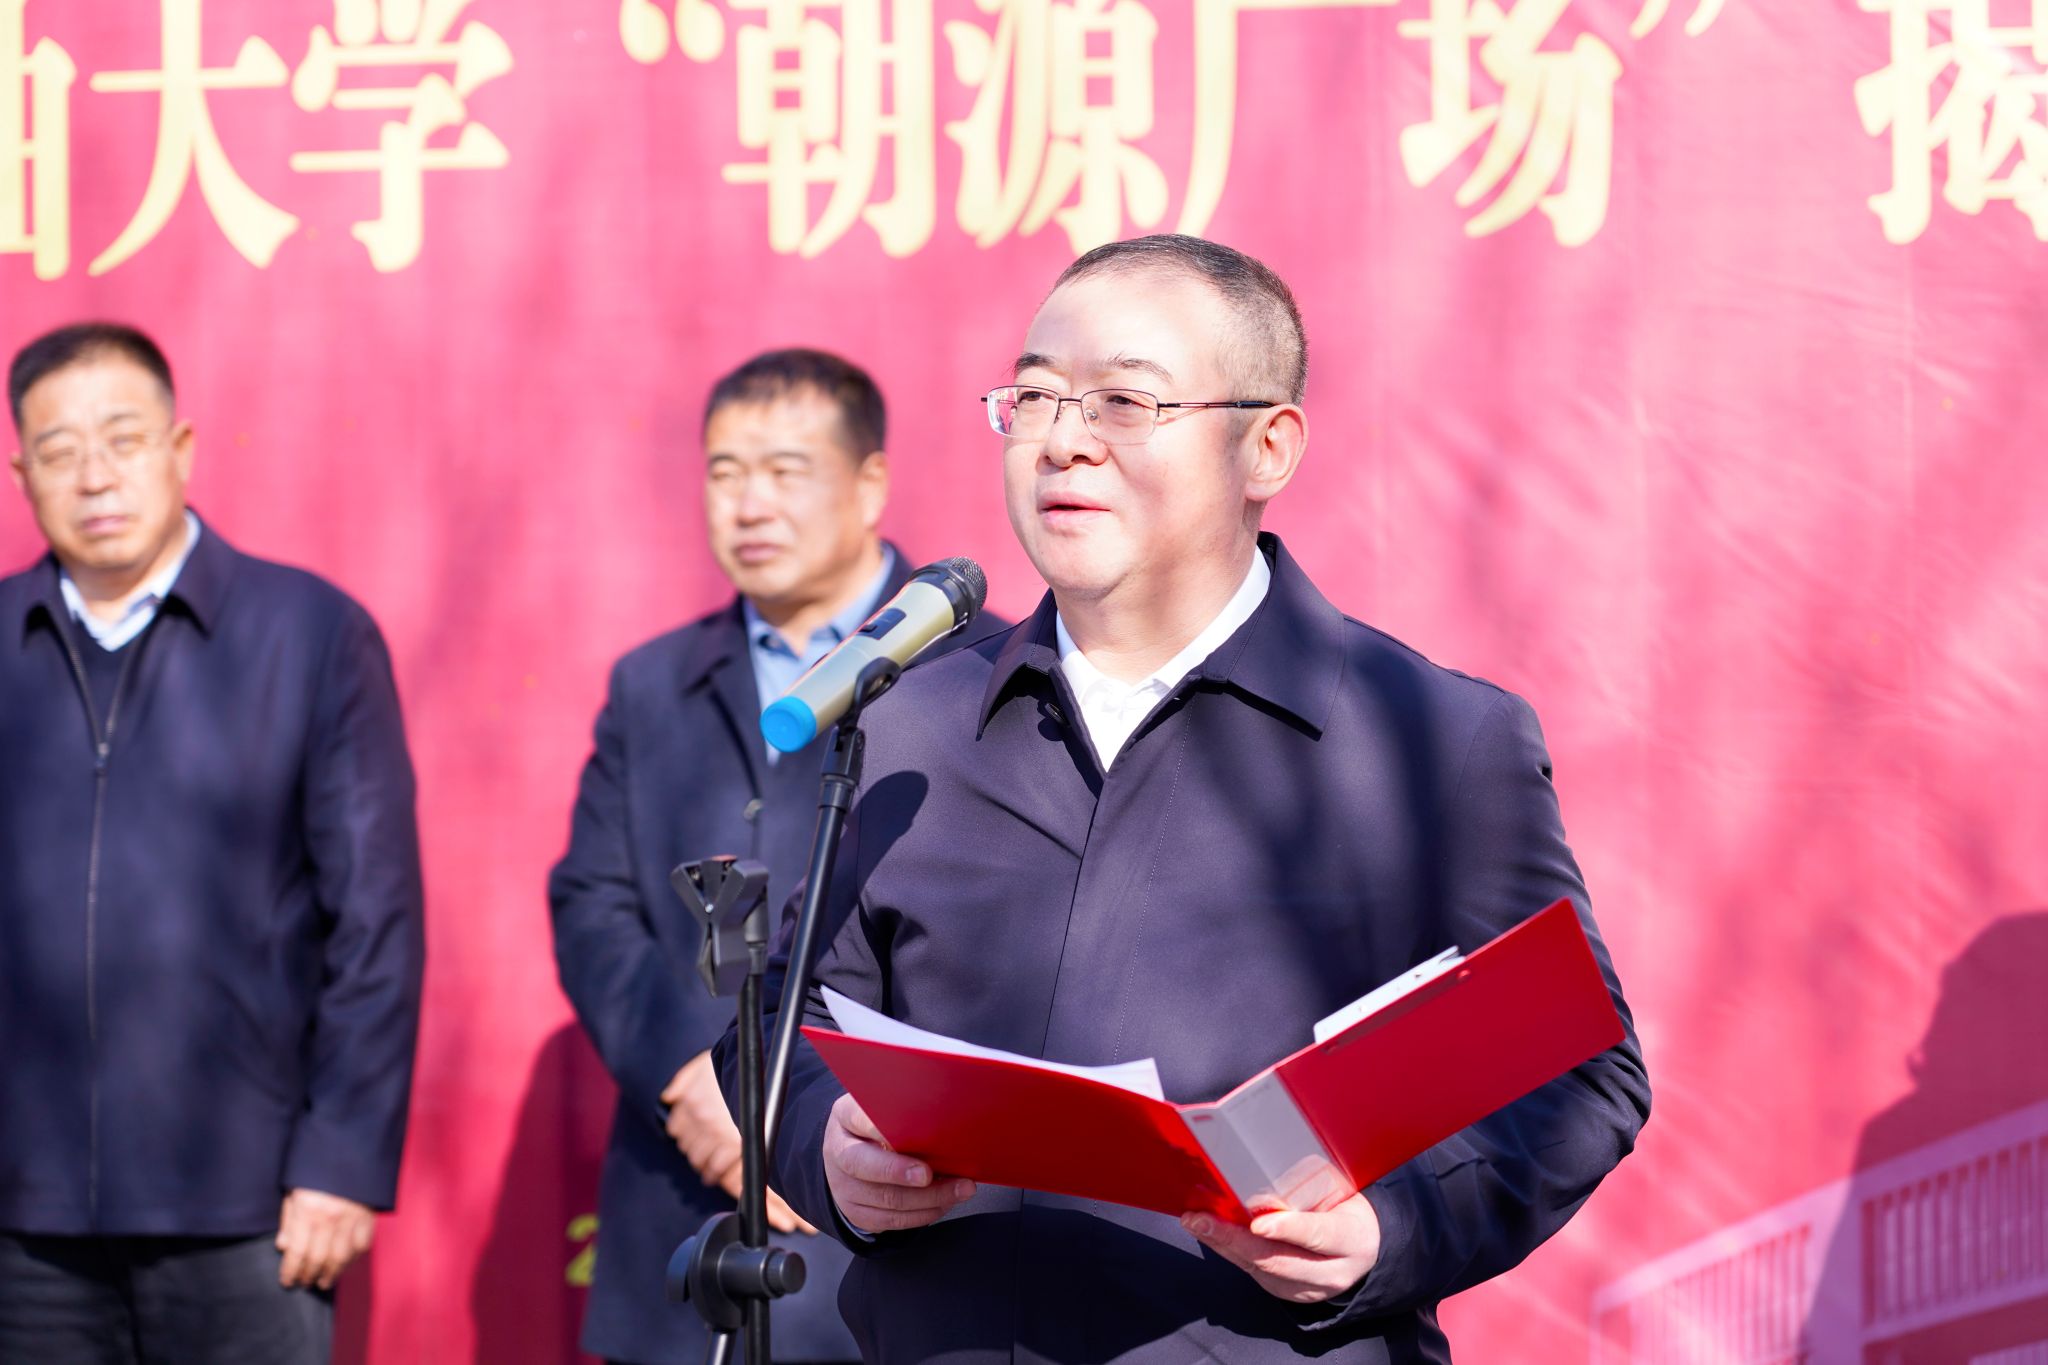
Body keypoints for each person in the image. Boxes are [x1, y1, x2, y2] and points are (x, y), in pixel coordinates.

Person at [723, 237, 1652, 1362]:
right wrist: (827, 1153)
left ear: (1267, 445)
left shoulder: (1433, 741)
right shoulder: (909, 725)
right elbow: (783, 1023)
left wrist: (1389, 1230)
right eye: (1034, 397)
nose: (1063, 440)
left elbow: (1578, 1070)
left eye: (1124, 402)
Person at [549, 349, 1005, 1365]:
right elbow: (592, 904)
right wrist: (696, 1076)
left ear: (870, 484)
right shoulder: (651, 684)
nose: (748, 503)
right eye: (724, 472)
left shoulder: (985, 675)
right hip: (683, 1221)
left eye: (785, 470)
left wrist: (804, 1106)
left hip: (889, 1224)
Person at [0, 322, 424, 1364]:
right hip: (24, 1218)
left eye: (123, 440)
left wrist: (341, 1157)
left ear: (180, 447)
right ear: (21, 474)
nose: (94, 476)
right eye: (59, 451)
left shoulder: (309, 634)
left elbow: (375, 919)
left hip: (247, 1206)